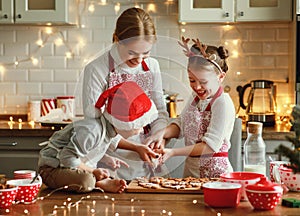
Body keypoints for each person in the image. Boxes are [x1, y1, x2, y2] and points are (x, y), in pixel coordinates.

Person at [81, 7, 168, 180]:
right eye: (132, 53)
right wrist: (135, 147)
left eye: (146, 53)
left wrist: (159, 137)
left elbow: (160, 111)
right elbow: (95, 126)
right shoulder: (96, 69)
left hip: (150, 162)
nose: (140, 60)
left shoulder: (152, 66)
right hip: (111, 164)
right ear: (117, 40)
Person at [38, 81, 158, 193]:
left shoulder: (108, 129)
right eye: (139, 125)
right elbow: (67, 158)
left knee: (106, 173)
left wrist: (105, 158)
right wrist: (93, 171)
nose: (141, 130)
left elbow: (93, 148)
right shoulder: (92, 131)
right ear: (123, 123)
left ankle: (99, 181)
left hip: (70, 166)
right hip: (52, 168)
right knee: (86, 181)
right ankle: (97, 183)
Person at [147, 37, 236, 178]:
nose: (197, 87)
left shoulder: (222, 103)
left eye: (203, 82)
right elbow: (181, 125)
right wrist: (162, 134)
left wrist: (173, 152)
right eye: (192, 80)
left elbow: (209, 147)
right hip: (191, 174)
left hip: (216, 176)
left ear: (220, 77)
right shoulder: (195, 98)